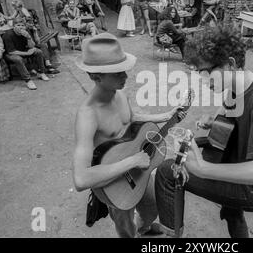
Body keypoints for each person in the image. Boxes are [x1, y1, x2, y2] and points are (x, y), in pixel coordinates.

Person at [155, 24, 253, 238]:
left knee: (166, 172)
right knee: (230, 209)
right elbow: (230, 108)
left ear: (230, 64)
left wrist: (203, 168)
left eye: (206, 72)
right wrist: (215, 120)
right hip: (235, 158)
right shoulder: (242, 84)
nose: (203, 79)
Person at [72, 32, 186, 238]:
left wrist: (167, 115)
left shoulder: (120, 94)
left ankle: (143, 228)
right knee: (126, 230)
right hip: (115, 182)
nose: (125, 77)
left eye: (123, 70)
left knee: (154, 206)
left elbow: (131, 118)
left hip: (137, 168)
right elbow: (81, 179)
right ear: (95, 76)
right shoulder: (87, 116)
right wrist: (132, 160)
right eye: (117, 74)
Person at [2, 17, 50, 90]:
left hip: (23, 50)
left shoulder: (25, 32)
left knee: (38, 51)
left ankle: (41, 72)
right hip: (10, 54)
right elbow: (12, 51)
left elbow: (32, 46)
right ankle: (28, 80)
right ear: (13, 26)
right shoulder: (8, 35)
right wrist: (27, 53)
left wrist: (28, 38)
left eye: (22, 25)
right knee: (18, 59)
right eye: (18, 25)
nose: (20, 27)